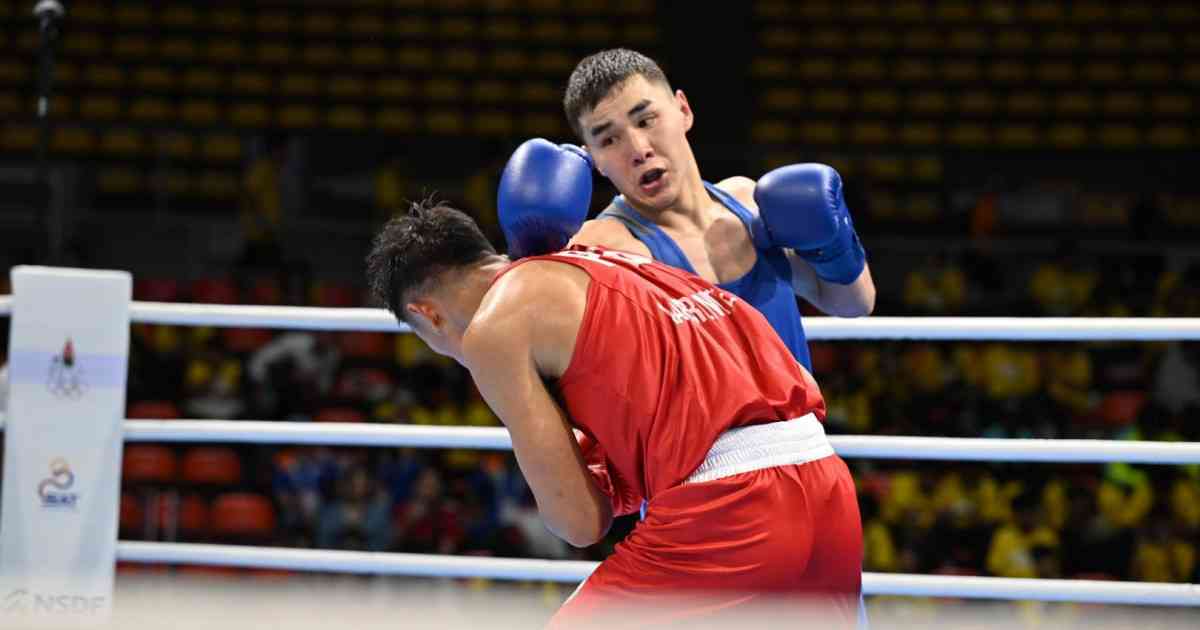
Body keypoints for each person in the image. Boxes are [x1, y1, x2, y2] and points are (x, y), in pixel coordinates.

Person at [365, 200, 863, 628]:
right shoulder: (608, 260)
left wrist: (586, 478)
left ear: (425, 314)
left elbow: (581, 523)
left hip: (734, 509)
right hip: (827, 486)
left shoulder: (494, 328)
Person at [497, 48, 876, 372]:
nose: (638, 148)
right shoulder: (603, 248)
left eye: (646, 120)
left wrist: (834, 247)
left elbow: (854, 303)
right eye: (609, 139)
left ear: (683, 110)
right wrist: (526, 259)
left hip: (802, 449)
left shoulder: (749, 204)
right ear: (594, 159)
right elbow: (518, 349)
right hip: (695, 458)